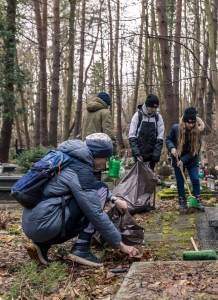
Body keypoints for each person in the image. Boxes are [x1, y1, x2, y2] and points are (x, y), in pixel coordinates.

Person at [22, 133, 139, 267]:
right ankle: (81, 248)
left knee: (89, 195)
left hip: (32, 225)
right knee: (101, 189)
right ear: (97, 154)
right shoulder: (81, 170)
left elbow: (85, 190)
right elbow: (95, 211)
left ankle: (41, 246)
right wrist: (121, 244)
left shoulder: (66, 159)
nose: (105, 163)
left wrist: (113, 199)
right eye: (105, 159)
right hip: (46, 224)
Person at [166, 107, 205, 212]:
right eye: (188, 123)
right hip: (177, 157)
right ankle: (182, 202)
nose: (190, 125)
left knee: (195, 179)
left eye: (193, 123)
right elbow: (168, 139)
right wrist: (172, 148)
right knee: (180, 182)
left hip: (191, 159)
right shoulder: (176, 128)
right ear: (184, 121)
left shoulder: (197, 132)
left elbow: (195, 151)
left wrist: (183, 160)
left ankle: (198, 201)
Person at [81, 92, 118, 180]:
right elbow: (109, 133)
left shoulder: (86, 112)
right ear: (106, 103)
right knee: (96, 181)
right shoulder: (105, 112)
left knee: (86, 181)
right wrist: (114, 151)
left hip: (85, 149)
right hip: (99, 150)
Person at [128, 94, 165, 171]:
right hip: (139, 152)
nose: (154, 109)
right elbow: (132, 136)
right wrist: (136, 153)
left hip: (152, 154)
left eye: (155, 107)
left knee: (149, 178)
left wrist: (156, 153)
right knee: (139, 177)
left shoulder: (158, 118)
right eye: (152, 107)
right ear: (147, 105)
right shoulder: (137, 116)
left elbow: (160, 137)